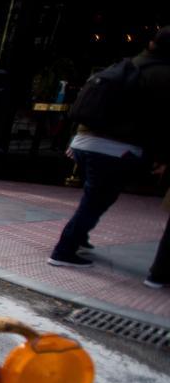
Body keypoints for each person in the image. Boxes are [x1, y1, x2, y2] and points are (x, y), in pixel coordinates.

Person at [49, 26, 170, 268]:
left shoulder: (126, 65)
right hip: (116, 148)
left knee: (99, 196)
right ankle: (64, 250)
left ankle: (79, 237)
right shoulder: (163, 75)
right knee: (95, 199)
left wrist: (76, 139)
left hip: (86, 142)